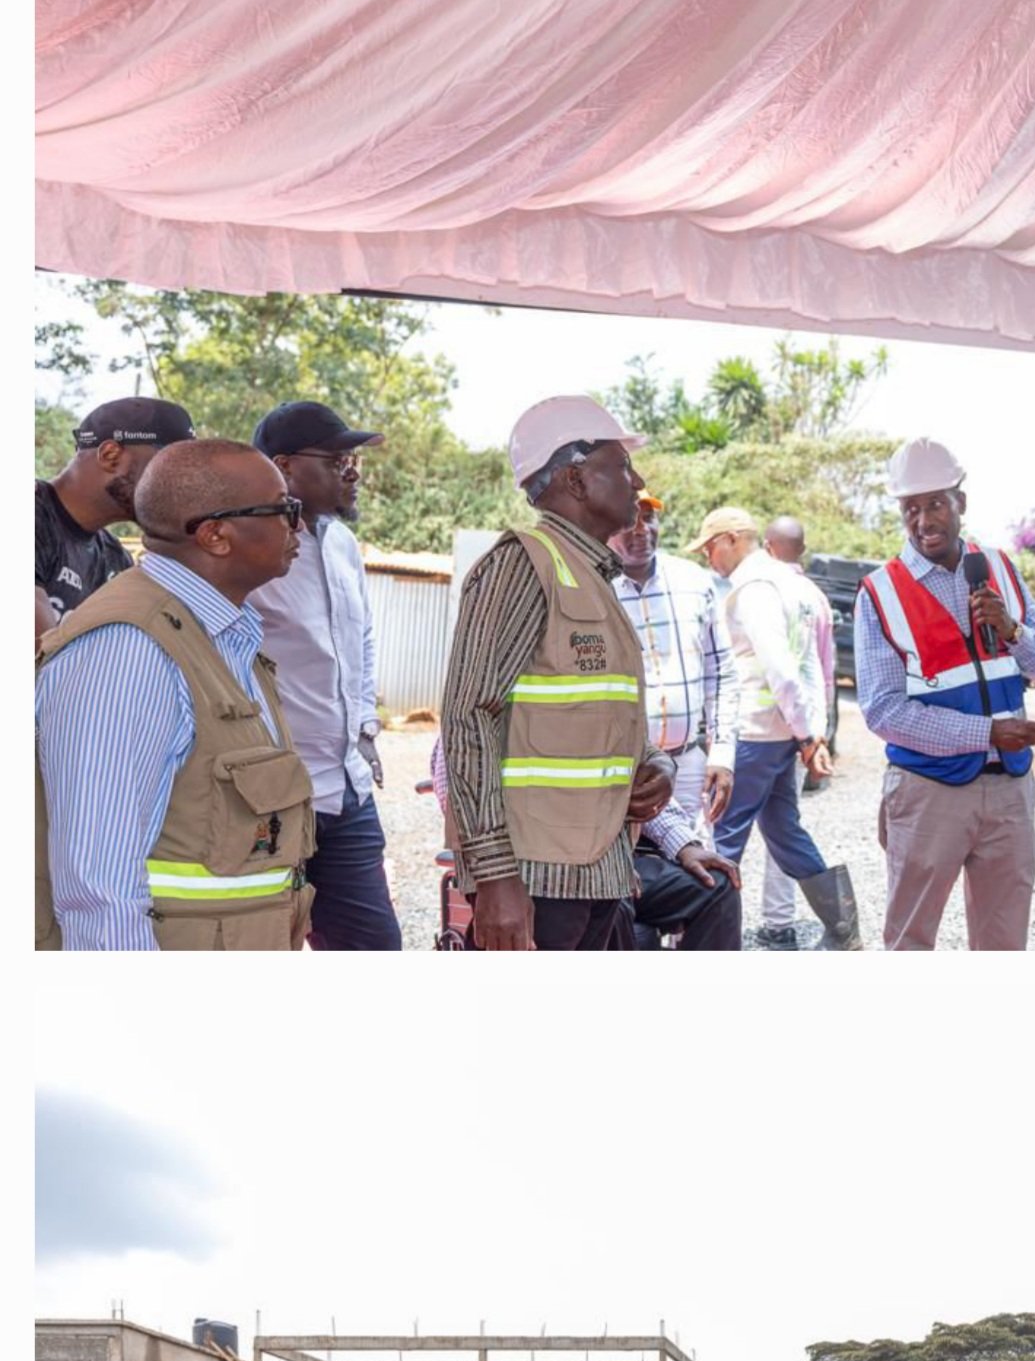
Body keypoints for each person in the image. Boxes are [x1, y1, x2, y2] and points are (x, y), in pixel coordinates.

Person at [439, 396, 725, 949]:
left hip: (594, 871)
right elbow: (468, 719)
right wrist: (496, 878)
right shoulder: (522, 567)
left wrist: (658, 766)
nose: (637, 480)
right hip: (534, 879)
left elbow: (600, 725)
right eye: (620, 466)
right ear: (575, 477)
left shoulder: (592, 576)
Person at [33, 437, 316, 950]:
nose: (297, 525)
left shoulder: (221, 635)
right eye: (283, 509)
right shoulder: (128, 650)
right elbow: (98, 893)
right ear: (215, 535)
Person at [857, 436, 1035, 947]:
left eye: (934, 505)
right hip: (929, 791)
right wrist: (989, 732)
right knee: (910, 940)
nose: (923, 521)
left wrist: (1012, 629)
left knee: (1003, 940)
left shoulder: (998, 567)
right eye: (911, 508)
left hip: (1011, 789)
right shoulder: (880, 591)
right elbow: (883, 711)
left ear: (960, 503)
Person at [243, 399, 401, 948]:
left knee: (374, 949)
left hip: (347, 791)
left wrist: (364, 726)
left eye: (352, 460)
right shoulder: (241, 547)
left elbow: (360, 641)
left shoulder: (341, 543)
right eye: (336, 460)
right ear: (284, 467)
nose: (351, 470)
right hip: (272, 799)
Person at [693, 504, 859, 947]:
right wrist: (810, 732)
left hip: (754, 732)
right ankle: (843, 929)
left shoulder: (755, 588)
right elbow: (819, 671)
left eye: (710, 547)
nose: (709, 558)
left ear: (731, 539)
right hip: (785, 734)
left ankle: (707, 941)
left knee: (721, 835)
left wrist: (808, 735)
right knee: (784, 830)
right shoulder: (802, 588)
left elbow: (781, 668)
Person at [608, 504, 746, 950]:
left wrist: (722, 754)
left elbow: (721, 673)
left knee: (696, 873)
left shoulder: (694, 582)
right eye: (626, 522)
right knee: (629, 898)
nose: (639, 531)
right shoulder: (595, 589)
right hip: (616, 775)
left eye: (647, 518)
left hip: (686, 763)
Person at [36, 395, 194, 629]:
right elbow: (42, 658)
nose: (181, 485)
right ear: (110, 456)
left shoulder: (115, 558)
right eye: (168, 468)